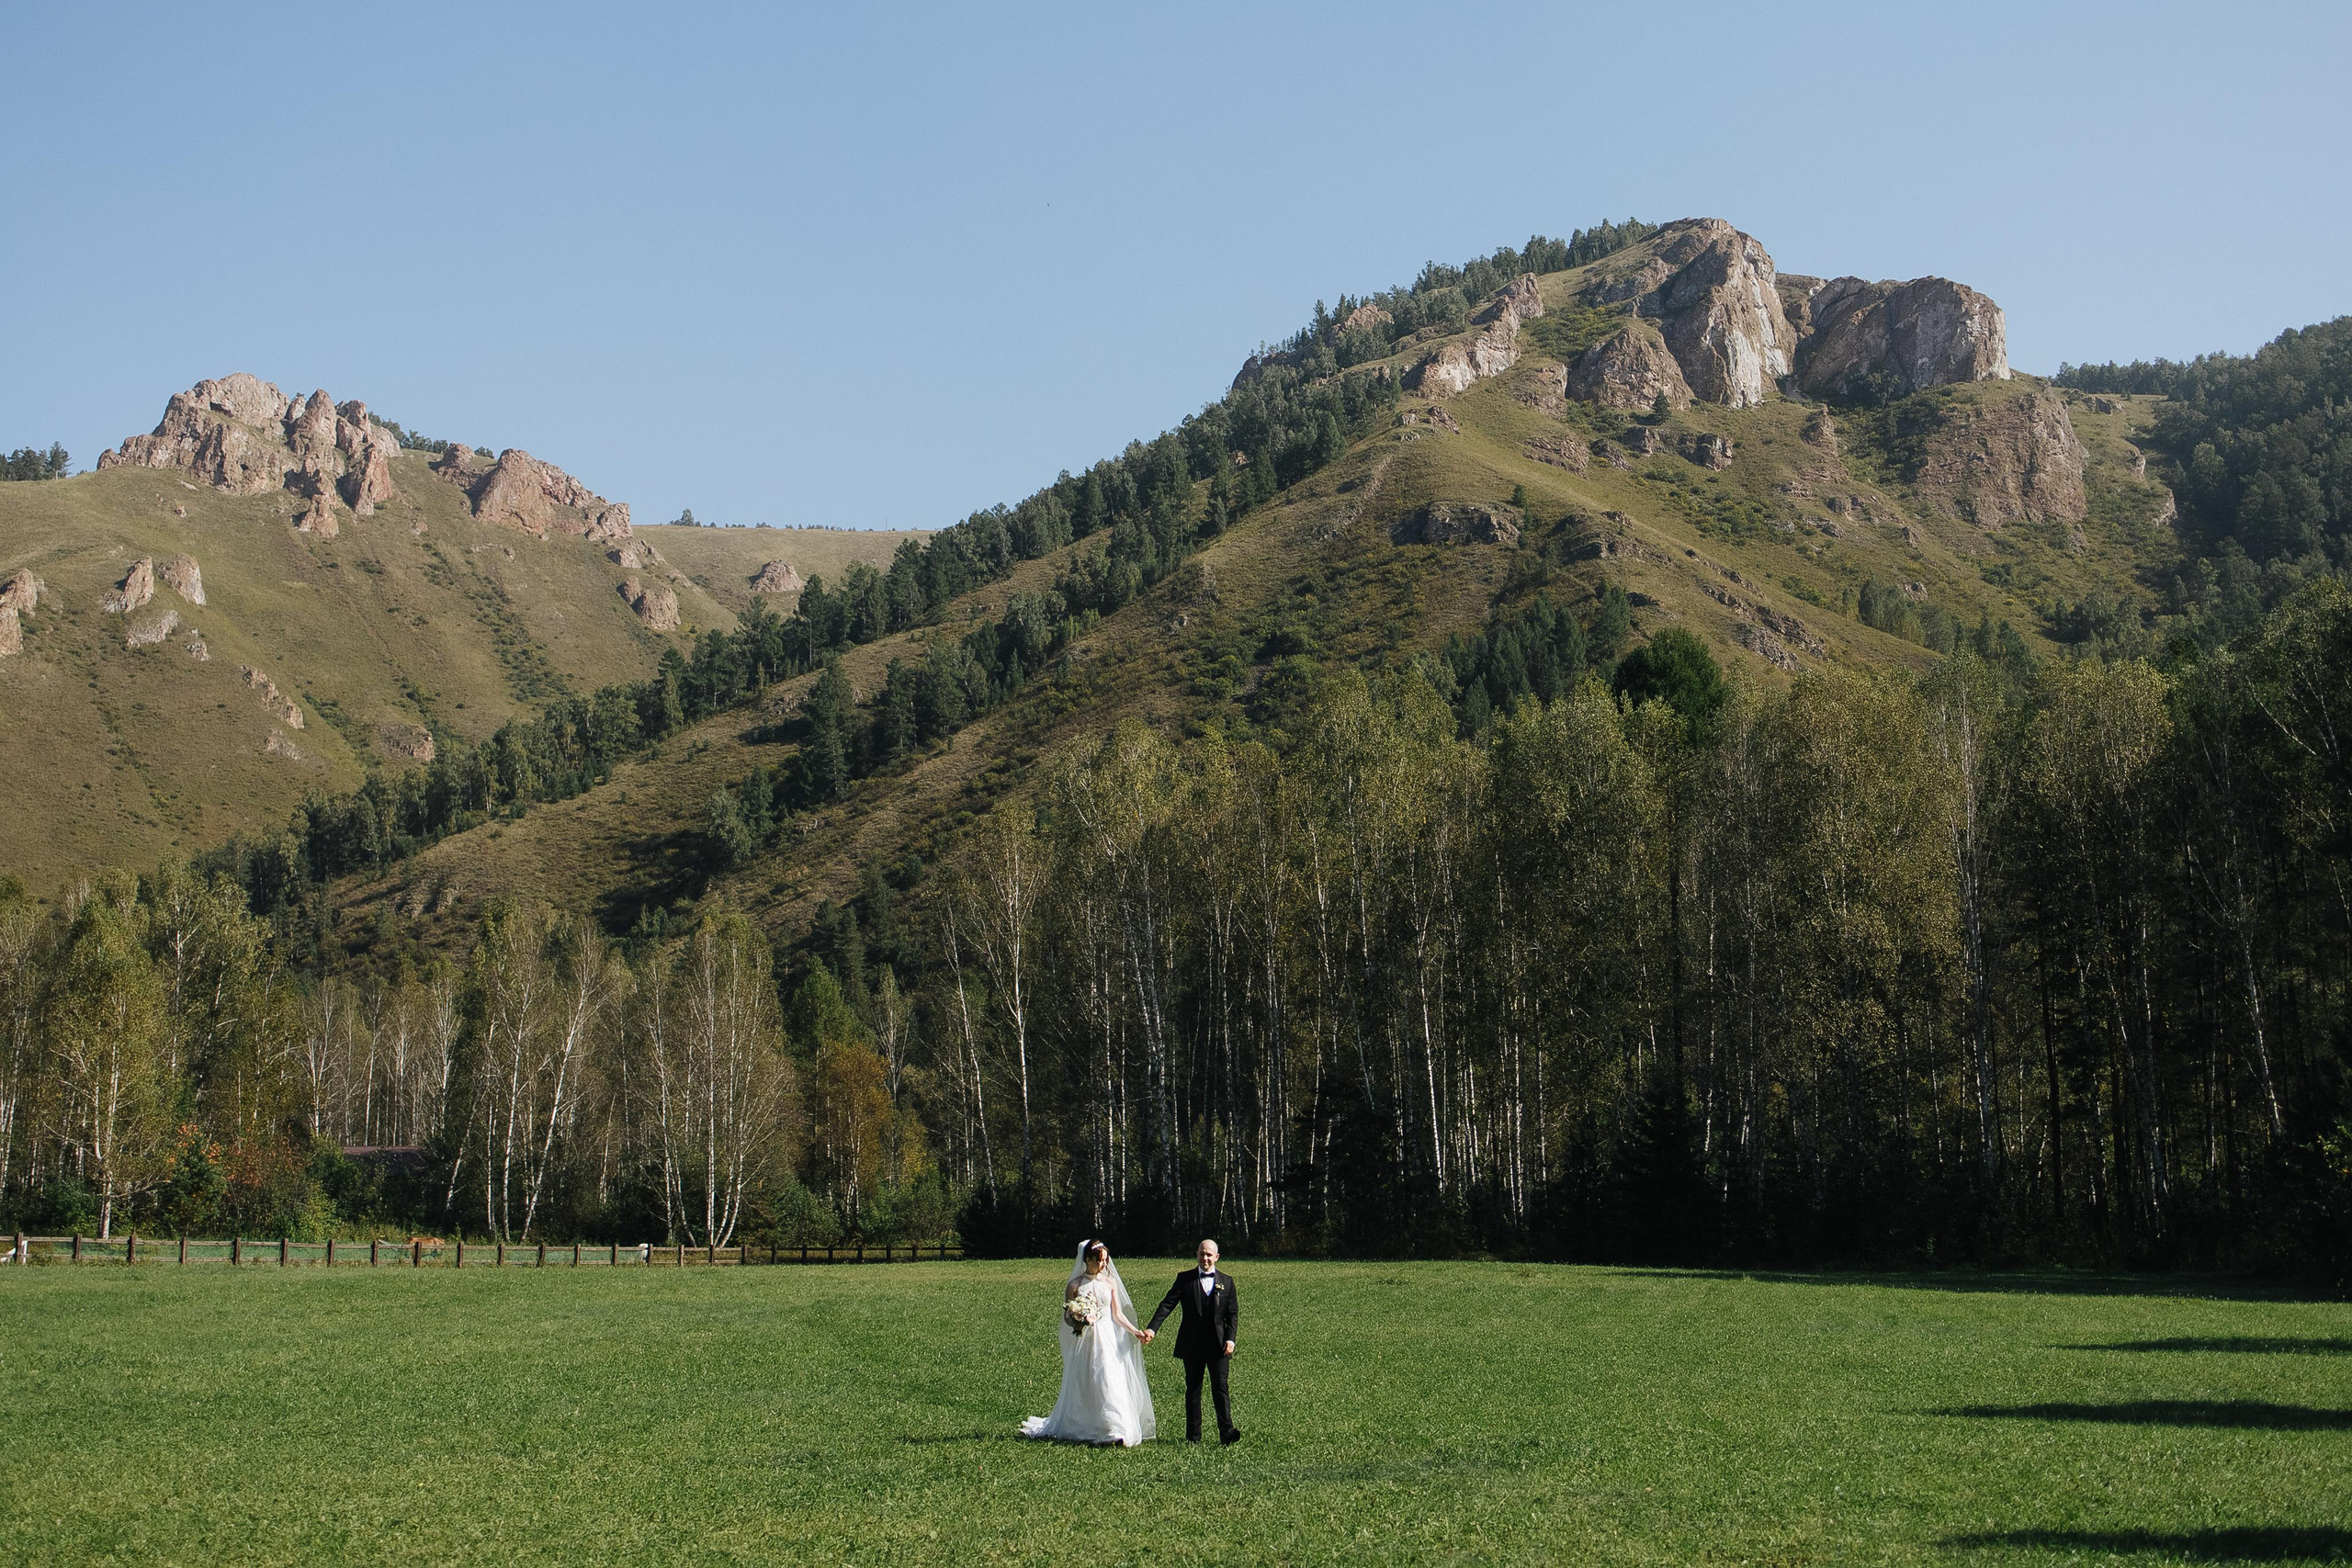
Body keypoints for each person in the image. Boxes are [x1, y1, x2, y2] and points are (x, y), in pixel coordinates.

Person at [1018, 1240, 1156, 1446]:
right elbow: (1066, 1316)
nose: (1103, 1265)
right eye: (1099, 1261)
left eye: (1105, 1261)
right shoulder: (1075, 1285)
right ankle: (1086, 1424)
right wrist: (1079, 1318)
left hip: (1109, 1339)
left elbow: (1116, 1314)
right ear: (1088, 1260)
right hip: (1087, 1340)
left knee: (1110, 1378)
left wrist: (1134, 1331)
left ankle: (1115, 1428)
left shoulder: (1110, 1283)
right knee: (1088, 1379)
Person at [1144, 1237, 1239, 1445]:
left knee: (1221, 1389)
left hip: (1218, 1346)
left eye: (1209, 1255)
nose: (1205, 1258)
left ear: (1217, 1257)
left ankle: (1227, 1434)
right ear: (1197, 1254)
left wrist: (1230, 1340)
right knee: (1193, 1390)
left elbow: (1232, 1314)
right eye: (1201, 1254)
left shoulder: (1227, 1281)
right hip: (1192, 1345)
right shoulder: (1184, 1279)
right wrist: (1152, 1328)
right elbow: (1166, 1305)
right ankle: (1193, 1437)